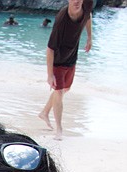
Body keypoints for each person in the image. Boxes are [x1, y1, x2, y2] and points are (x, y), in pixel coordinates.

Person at [39, 0, 93, 139]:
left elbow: (88, 15)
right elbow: (50, 49)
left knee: (64, 90)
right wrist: (50, 75)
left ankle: (44, 112)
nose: (77, 2)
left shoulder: (86, 5)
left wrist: (89, 37)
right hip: (57, 61)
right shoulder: (62, 20)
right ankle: (59, 130)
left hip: (71, 57)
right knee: (59, 92)